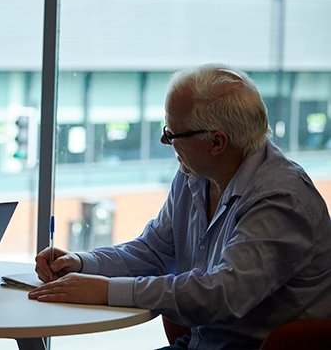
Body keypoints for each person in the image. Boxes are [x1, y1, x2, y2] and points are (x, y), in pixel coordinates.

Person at [29, 64, 331, 350]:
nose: (164, 139)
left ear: (217, 142)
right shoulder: (196, 174)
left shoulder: (280, 198)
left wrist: (106, 291)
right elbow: (155, 250)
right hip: (204, 342)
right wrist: (83, 263)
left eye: (173, 133)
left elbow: (221, 293)